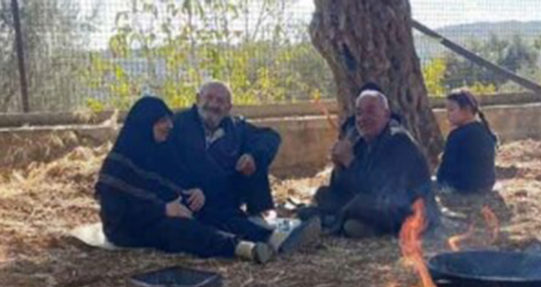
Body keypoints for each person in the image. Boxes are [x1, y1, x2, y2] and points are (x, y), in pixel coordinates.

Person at [96, 97, 318, 263]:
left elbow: (169, 181)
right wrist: (162, 210)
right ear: (145, 124)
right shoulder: (118, 163)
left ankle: (271, 237)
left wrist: (192, 192)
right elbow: (117, 211)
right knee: (180, 230)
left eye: (168, 120)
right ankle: (240, 248)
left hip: (168, 208)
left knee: (207, 208)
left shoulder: (159, 150)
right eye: (161, 121)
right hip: (132, 227)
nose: (169, 126)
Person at [300, 91, 438, 237]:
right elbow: (345, 188)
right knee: (324, 194)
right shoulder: (361, 142)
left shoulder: (399, 141)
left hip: (407, 212)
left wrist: (350, 162)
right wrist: (339, 166)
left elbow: (379, 189)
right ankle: (336, 220)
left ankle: (332, 224)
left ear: (386, 114)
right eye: (359, 113)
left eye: (371, 111)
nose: (363, 118)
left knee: (358, 208)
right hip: (375, 203)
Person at [167, 80, 281, 220]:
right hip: (190, 193)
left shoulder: (236, 128)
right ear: (198, 99)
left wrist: (252, 156)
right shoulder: (177, 124)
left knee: (255, 157)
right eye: (209, 98)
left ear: (228, 107)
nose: (214, 105)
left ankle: (260, 215)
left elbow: (270, 137)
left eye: (220, 101)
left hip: (224, 194)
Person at [437, 88, 497, 194]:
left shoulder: (457, 135)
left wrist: (440, 180)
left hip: (462, 187)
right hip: (487, 185)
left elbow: (446, 168)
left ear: (467, 110)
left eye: (451, 110)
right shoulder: (485, 130)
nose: (447, 115)